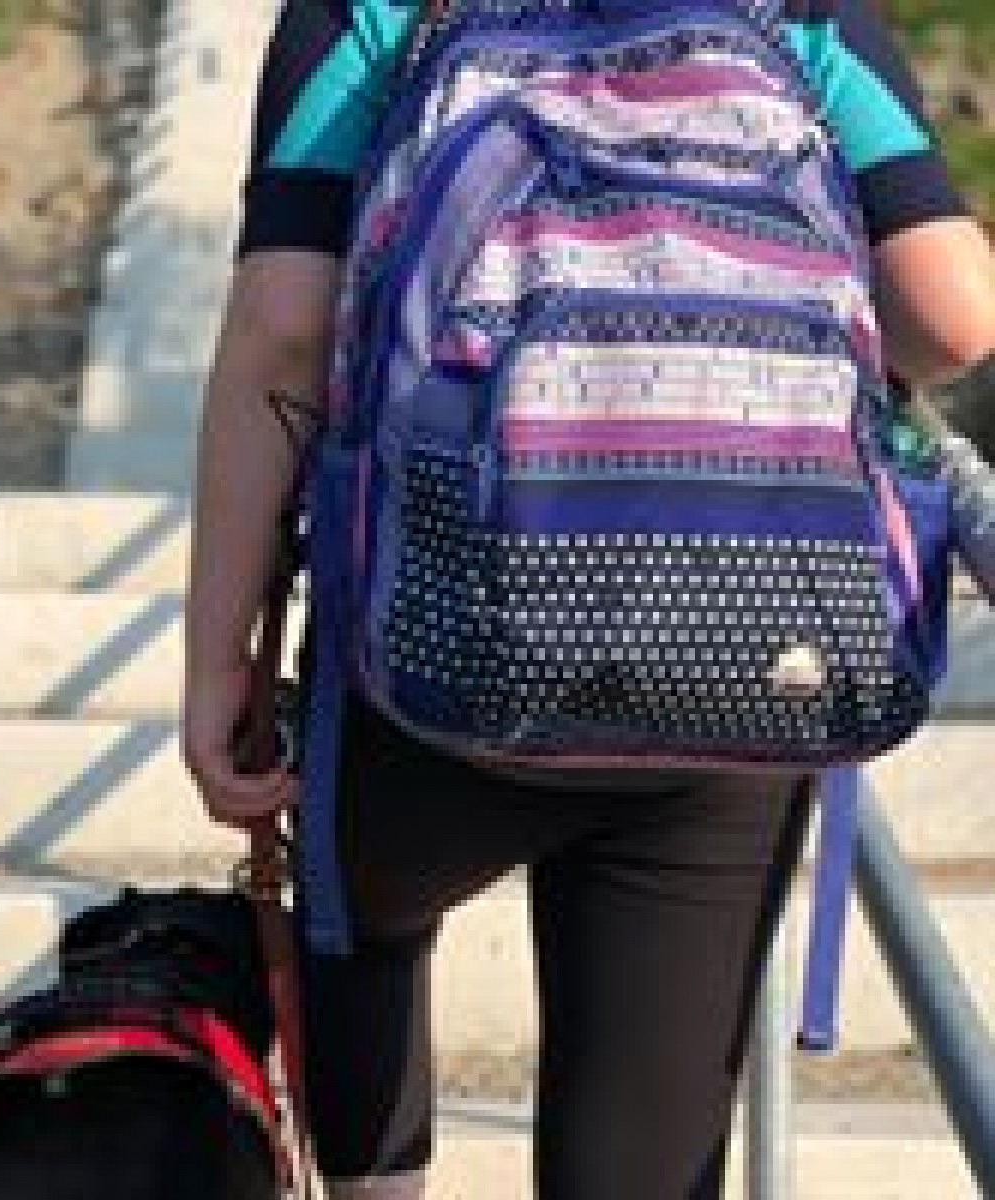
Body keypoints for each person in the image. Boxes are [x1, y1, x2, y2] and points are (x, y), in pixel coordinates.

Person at [183, 1, 995, 1196]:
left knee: (364, 936)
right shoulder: (803, 14)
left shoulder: (368, 15)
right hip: (741, 641)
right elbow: (954, 316)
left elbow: (286, 332)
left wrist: (218, 664)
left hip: (439, 632)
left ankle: (373, 1176)